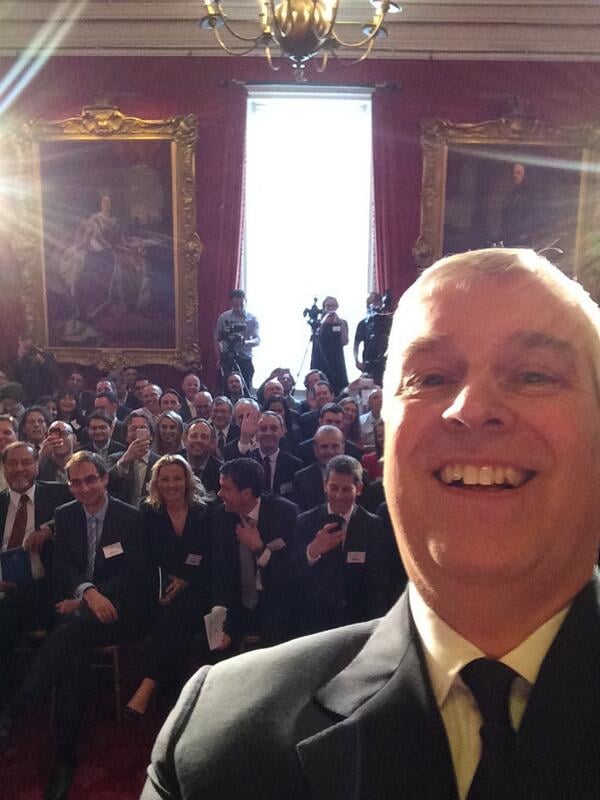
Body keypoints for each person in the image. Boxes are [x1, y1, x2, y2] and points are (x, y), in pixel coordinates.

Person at [142, 247, 600, 800]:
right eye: (431, 377)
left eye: (533, 374)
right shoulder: (220, 741)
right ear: (384, 434)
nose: (473, 407)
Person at [0, 451, 152, 799]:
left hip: (121, 608)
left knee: (72, 630)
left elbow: (136, 574)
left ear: (105, 479)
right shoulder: (65, 515)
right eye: (75, 482)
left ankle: (18, 709)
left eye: (90, 480)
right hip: (80, 607)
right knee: (73, 651)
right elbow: (64, 568)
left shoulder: (131, 517)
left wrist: (91, 597)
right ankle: (64, 757)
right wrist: (84, 594)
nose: (83, 488)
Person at [125, 455, 213, 718]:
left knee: (181, 609)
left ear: (187, 480)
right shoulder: (147, 512)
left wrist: (186, 580)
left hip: (200, 588)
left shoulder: (205, 511)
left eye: (177, 478)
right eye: (165, 479)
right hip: (158, 591)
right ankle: (175, 695)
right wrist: (161, 587)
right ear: (156, 482)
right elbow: (141, 561)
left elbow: (214, 559)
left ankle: (149, 686)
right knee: (174, 613)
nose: (172, 484)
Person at [293, 455, 394, 635]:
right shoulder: (305, 522)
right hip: (315, 625)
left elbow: (379, 584)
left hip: (357, 624)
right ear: (325, 485)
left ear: (359, 488)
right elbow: (290, 574)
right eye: (333, 488)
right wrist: (312, 551)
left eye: (347, 489)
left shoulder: (374, 526)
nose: (339, 496)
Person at [211, 458, 298, 650]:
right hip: (236, 603)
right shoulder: (220, 517)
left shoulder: (284, 513)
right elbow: (219, 573)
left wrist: (259, 549)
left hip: (274, 602)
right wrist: (220, 622)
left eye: (226, 489)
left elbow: (291, 574)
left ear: (247, 493)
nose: (219, 494)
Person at [108, 412, 159, 507]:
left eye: (143, 428)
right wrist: (124, 460)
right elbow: (107, 483)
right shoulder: (114, 458)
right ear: (126, 436)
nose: (137, 432)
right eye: (133, 429)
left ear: (151, 435)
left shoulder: (160, 462)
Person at [214, 289, 260, 392]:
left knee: (246, 388)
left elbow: (257, 340)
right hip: (227, 358)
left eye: (241, 305)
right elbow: (217, 339)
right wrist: (219, 357)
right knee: (225, 389)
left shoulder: (252, 319)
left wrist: (245, 342)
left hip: (245, 358)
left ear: (245, 302)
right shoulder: (223, 317)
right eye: (235, 305)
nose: (239, 308)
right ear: (231, 303)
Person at [310, 296, 349, 396]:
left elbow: (345, 341)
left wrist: (340, 324)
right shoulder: (318, 322)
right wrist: (324, 322)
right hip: (321, 359)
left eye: (333, 306)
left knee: (339, 387)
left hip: (337, 360)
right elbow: (317, 336)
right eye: (328, 306)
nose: (331, 308)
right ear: (324, 307)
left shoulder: (342, 322)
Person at [182, 419, 222, 496]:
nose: (198, 440)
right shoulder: (172, 465)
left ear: (212, 443)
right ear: (185, 440)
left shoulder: (220, 472)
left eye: (204, 437)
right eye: (194, 436)